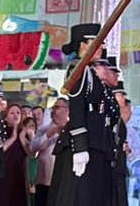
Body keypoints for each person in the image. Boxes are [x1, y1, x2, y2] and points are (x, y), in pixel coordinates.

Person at [47, 23, 119, 206]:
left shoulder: (93, 76)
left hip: (96, 144)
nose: (102, 46)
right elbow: (77, 108)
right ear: (83, 45)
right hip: (84, 144)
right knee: (79, 197)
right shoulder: (79, 70)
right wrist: (80, 147)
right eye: (97, 42)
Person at [28, 97, 68, 206]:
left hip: (63, 181)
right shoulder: (44, 129)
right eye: (52, 107)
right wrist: (48, 135)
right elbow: (32, 147)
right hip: (43, 181)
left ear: (67, 110)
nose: (53, 110)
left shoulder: (72, 129)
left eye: (57, 107)